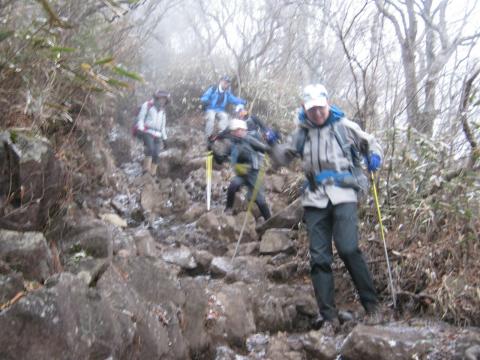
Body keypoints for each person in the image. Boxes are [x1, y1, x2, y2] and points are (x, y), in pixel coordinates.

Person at [270, 83, 384, 332]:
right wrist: (272, 143)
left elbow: (372, 143)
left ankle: (373, 306)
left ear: (327, 104)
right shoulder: (301, 133)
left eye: (320, 108)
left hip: (344, 193)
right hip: (314, 199)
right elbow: (281, 158)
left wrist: (374, 157)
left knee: (348, 248)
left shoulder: (344, 127)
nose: (317, 113)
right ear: (305, 109)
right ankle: (329, 316)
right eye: (312, 110)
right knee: (319, 258)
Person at [211, 119, 272, 221]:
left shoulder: (249, 139)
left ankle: (269, 220)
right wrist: (212, 150)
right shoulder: (232, 144)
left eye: (236, 130)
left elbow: (263, 148)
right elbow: (221, 160)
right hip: (242, 173)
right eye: (233, 131)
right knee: (232, 187)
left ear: (242, 130)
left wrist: (269, 145)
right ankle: (228, 209)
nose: (233, 132)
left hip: (254, 173)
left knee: (259, 199)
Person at [200, 75, 247, 144]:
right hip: (210, 108)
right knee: (211, 118)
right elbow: (204, 97)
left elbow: (234, 99)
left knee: (225, 117)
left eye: (227, 83)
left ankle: (222, 134)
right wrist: (206, 101)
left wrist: (243, 101)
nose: (226, 84)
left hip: (219, 110)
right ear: (221, 82)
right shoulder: (213, 88)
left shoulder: (227, 93)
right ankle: (208, 136)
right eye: (225, 82)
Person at [136, 90, 170, 175]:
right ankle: (146, 171)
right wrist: (141, 129)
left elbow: (162, 127)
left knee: (156, 154)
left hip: (158, 135)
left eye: (165, 99)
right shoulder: (147, 105)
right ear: (157, 97)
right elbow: (141, 118)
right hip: (147, 131)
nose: (163, 101)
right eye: (162, 98)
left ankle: (152, 174)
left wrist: (165, 139)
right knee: (150, 149)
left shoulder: (163, 111)